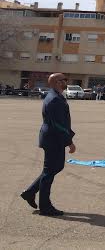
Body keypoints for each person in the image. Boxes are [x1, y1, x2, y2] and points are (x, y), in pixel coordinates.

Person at [20, 73, 76, 216]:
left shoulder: (56, 96)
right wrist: (69, 141)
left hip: (53, 138)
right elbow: (58, 125)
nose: (66, 82)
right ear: (57, 82)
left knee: (55, 168)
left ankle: (30, 192)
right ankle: (45, 207)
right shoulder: (55, 99)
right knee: (49, 171)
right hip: (53, 139)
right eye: (64, 80)